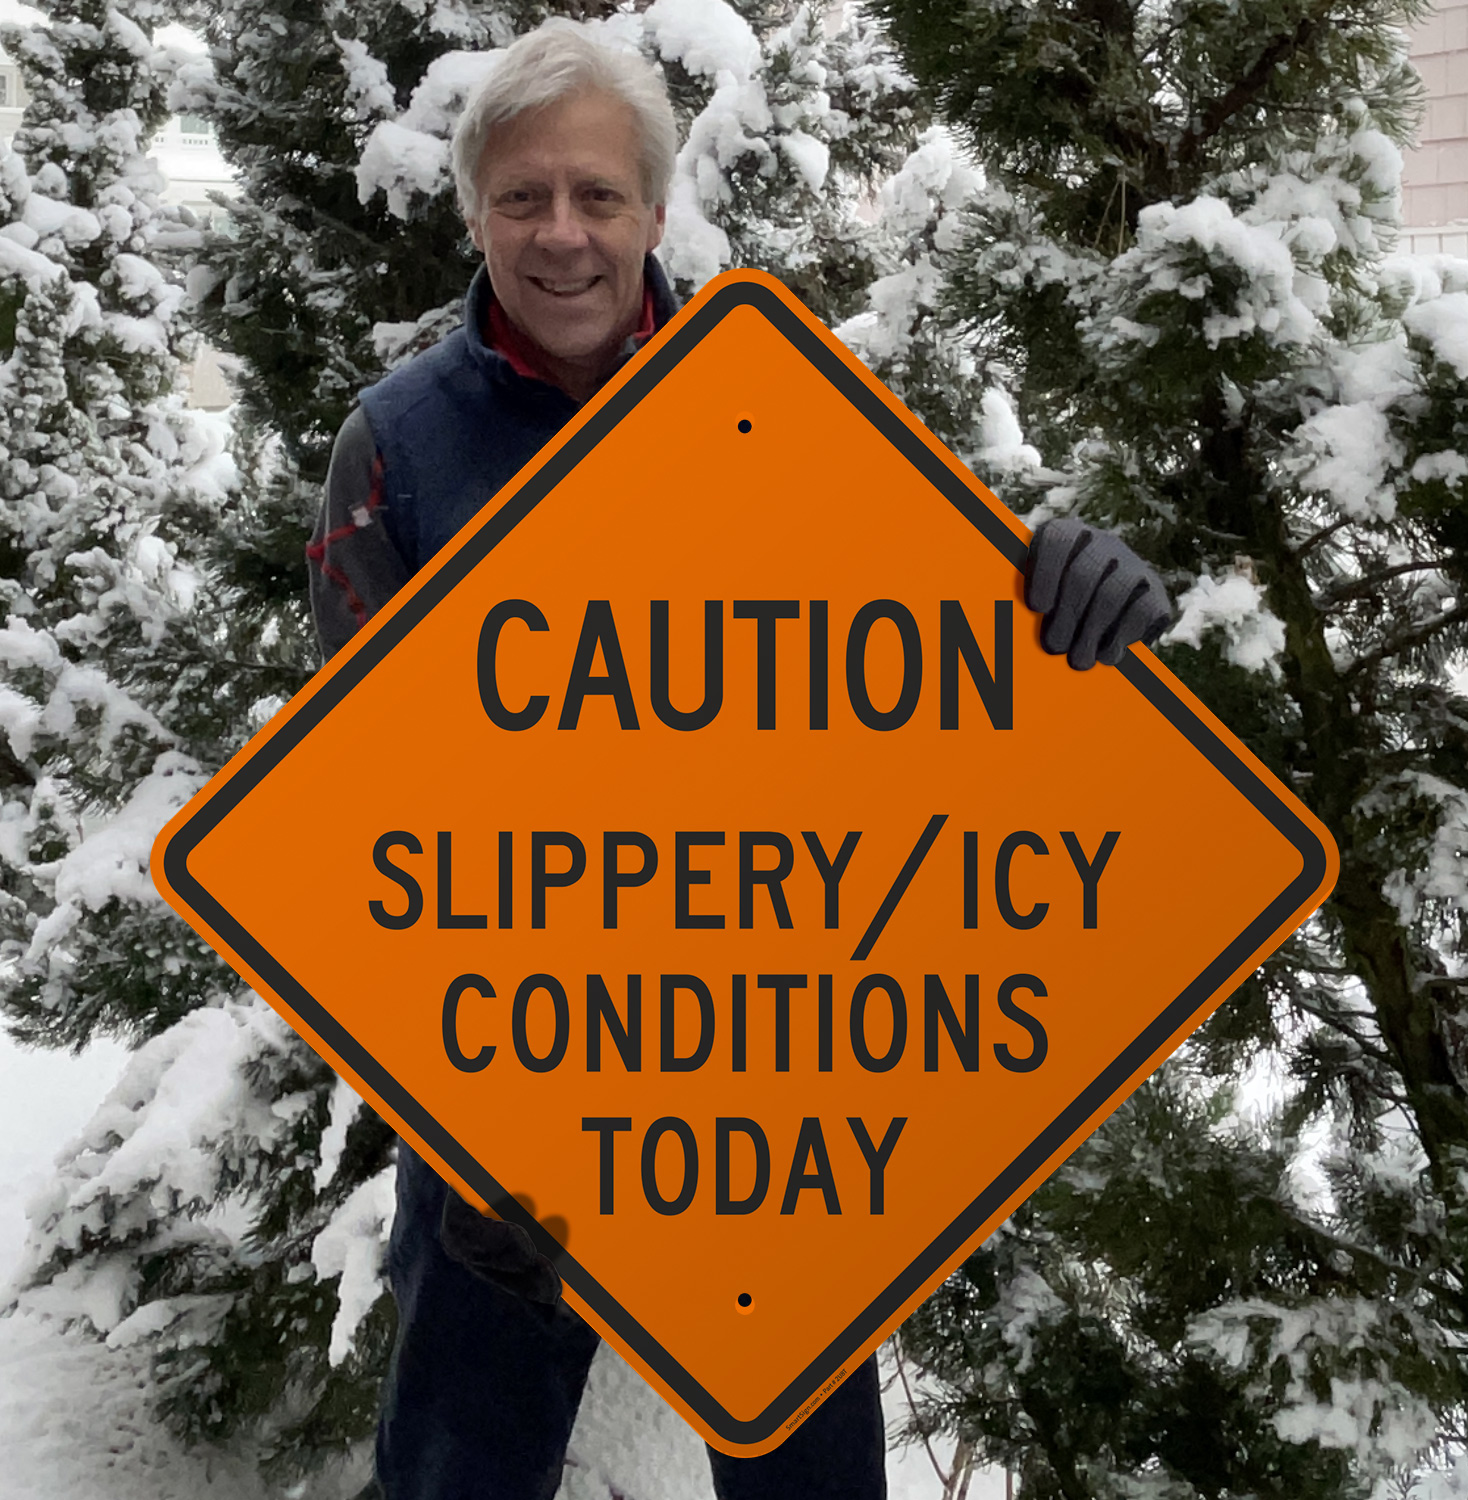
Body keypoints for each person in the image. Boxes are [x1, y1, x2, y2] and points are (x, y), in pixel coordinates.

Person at [307, 20, 1171, 1500]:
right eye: (523, 197)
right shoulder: (396, 450)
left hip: (779, 1077)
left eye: (598, 195)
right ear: (476, 215)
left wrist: (1061, 594)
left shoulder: (780, 402)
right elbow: (363, 818)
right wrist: (473, 1112)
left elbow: (929, 667)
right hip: (508, 1092)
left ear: (655, 211)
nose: (562, 233)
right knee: (458, 1472)